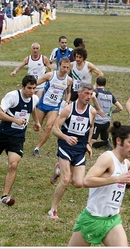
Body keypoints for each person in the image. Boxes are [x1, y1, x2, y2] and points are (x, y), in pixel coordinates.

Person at [67, 122, 130, 246]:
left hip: (112, 220)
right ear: (118, 140)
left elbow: (115, 189)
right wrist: (117, 179)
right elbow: (87, 181)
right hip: (92, 219)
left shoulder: (126, 163)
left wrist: (115, 205)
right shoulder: (107, 158)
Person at [0, 75, 41, 205]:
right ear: (22, 87)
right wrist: (15, 120)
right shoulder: (12, 96)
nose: (32, 91)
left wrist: (37, 122)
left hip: (18, 137)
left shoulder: (34, 98)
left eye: (34, 88)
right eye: (29, 88)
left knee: (13, 164)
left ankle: (4, 196)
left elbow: (32, 108)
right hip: (3, 134)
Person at [48, 82, 97, 219]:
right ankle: (53, 210)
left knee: (78, 183)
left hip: (80, 149)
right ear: (79, 93)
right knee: (65, 180)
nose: (89, 96)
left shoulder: (92, 111)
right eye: (86, 93)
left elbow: (91, 127)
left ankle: (59, 168)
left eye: (91, 94)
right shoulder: (68, 109)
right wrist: (66, 137)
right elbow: (54, 129)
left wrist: (88, 143)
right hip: (65, 147)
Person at [32, 57, 73, 157]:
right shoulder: (50, 75)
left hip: (55, 107)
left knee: (49, 127)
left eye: (67, 68)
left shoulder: (69, 80)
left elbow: (68, 92)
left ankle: (37, 148)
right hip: (43, 104)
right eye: (64, 67)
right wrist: (30, 91)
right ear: (59, 66)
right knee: (36, 127)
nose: (65, 69)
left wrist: (67, 101)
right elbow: (35, 83)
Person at [91, 76, 123, 149]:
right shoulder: (110, 94)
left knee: (91, 142)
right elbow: (120, 108)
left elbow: (92, 96)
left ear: (96, 84)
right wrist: (110, 112)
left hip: (98, 121)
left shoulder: (96, 91)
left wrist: (98, 109)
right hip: (107, 122)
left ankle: (104, 142)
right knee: (104, 138)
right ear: (105, 85)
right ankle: (106, 141)